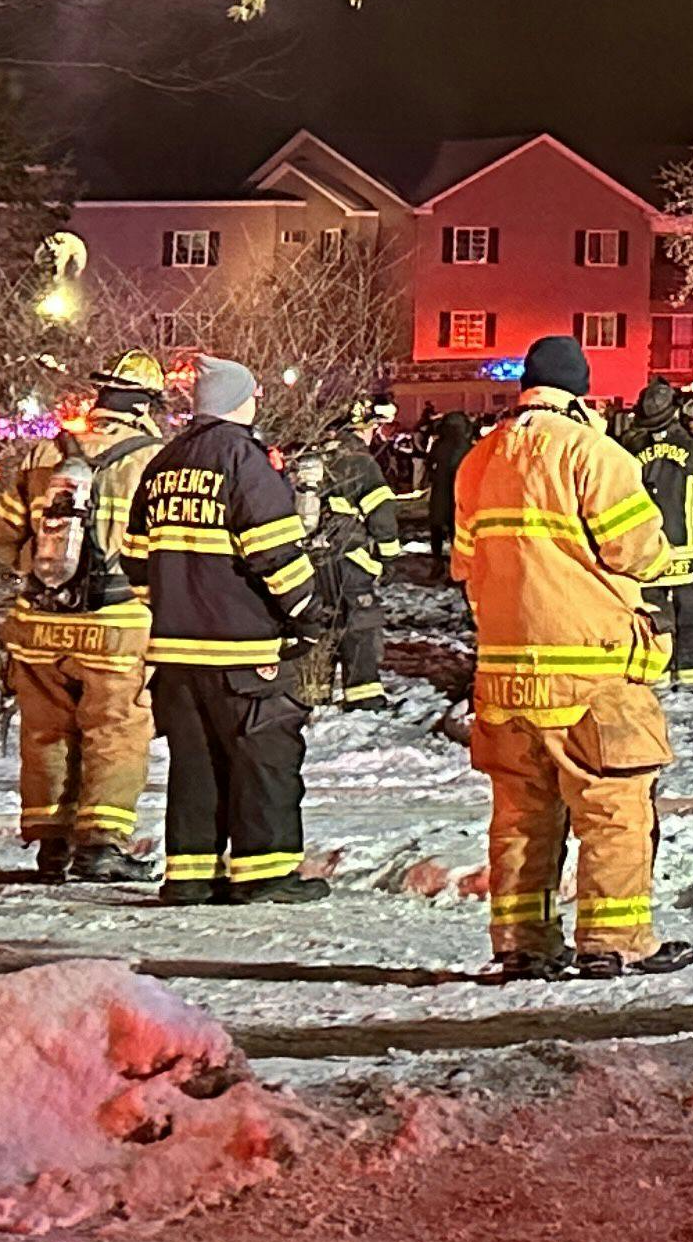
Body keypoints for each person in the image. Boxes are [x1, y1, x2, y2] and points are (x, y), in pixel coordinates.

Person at [452, 333, 693, 981]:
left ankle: (521, 942)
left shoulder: (478, 460)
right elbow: (639, 552)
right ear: (581, 389)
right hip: (592, 669)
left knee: (521, 816)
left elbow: (466, 564)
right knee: (613, 806)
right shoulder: (595, 455)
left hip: (504, 675)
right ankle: (614, 940)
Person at [133, 356, 329, 905]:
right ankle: (266, 874)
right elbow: (274, 552)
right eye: (253, 394)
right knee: (264, 757)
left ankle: (191, 876)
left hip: (175, 652)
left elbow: (135, 561)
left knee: (195, 764)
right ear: (237, 400)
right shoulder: (243, 460)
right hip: (242, 648)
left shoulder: (164, 463)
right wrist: (306, 613)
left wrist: (172, 611)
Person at [0, 357, 172, 880]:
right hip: (115, 626)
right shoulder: (156, 461)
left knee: (46, 732)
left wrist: (35, 567)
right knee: (116, 732)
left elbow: (0, 535)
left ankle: (51, 847)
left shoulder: (45, 455)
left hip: (39, 625)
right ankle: (101, 847)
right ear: (146, 405)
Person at [626, 382, 693, 693]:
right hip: (690, 554)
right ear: (675, 412)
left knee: (652, 614)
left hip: (648, 552)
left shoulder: (629, 450)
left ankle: (655, 674)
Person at [312, 398, 401, 708]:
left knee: (321, 620)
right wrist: (388, 558)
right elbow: (381, 512)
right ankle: (364, 697)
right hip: (349, 556)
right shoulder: (360, 460)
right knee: (360, 622)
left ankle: (315, 689)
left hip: (314, 557)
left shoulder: (316, 454)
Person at [417, 394, 492, 582]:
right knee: (457, 532)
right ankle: (457, 568)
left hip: (439, 494)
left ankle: (437, 564)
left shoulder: (439, 446)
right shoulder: (470, 448)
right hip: (460, 495)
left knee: (436, 530)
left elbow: (429, 465)